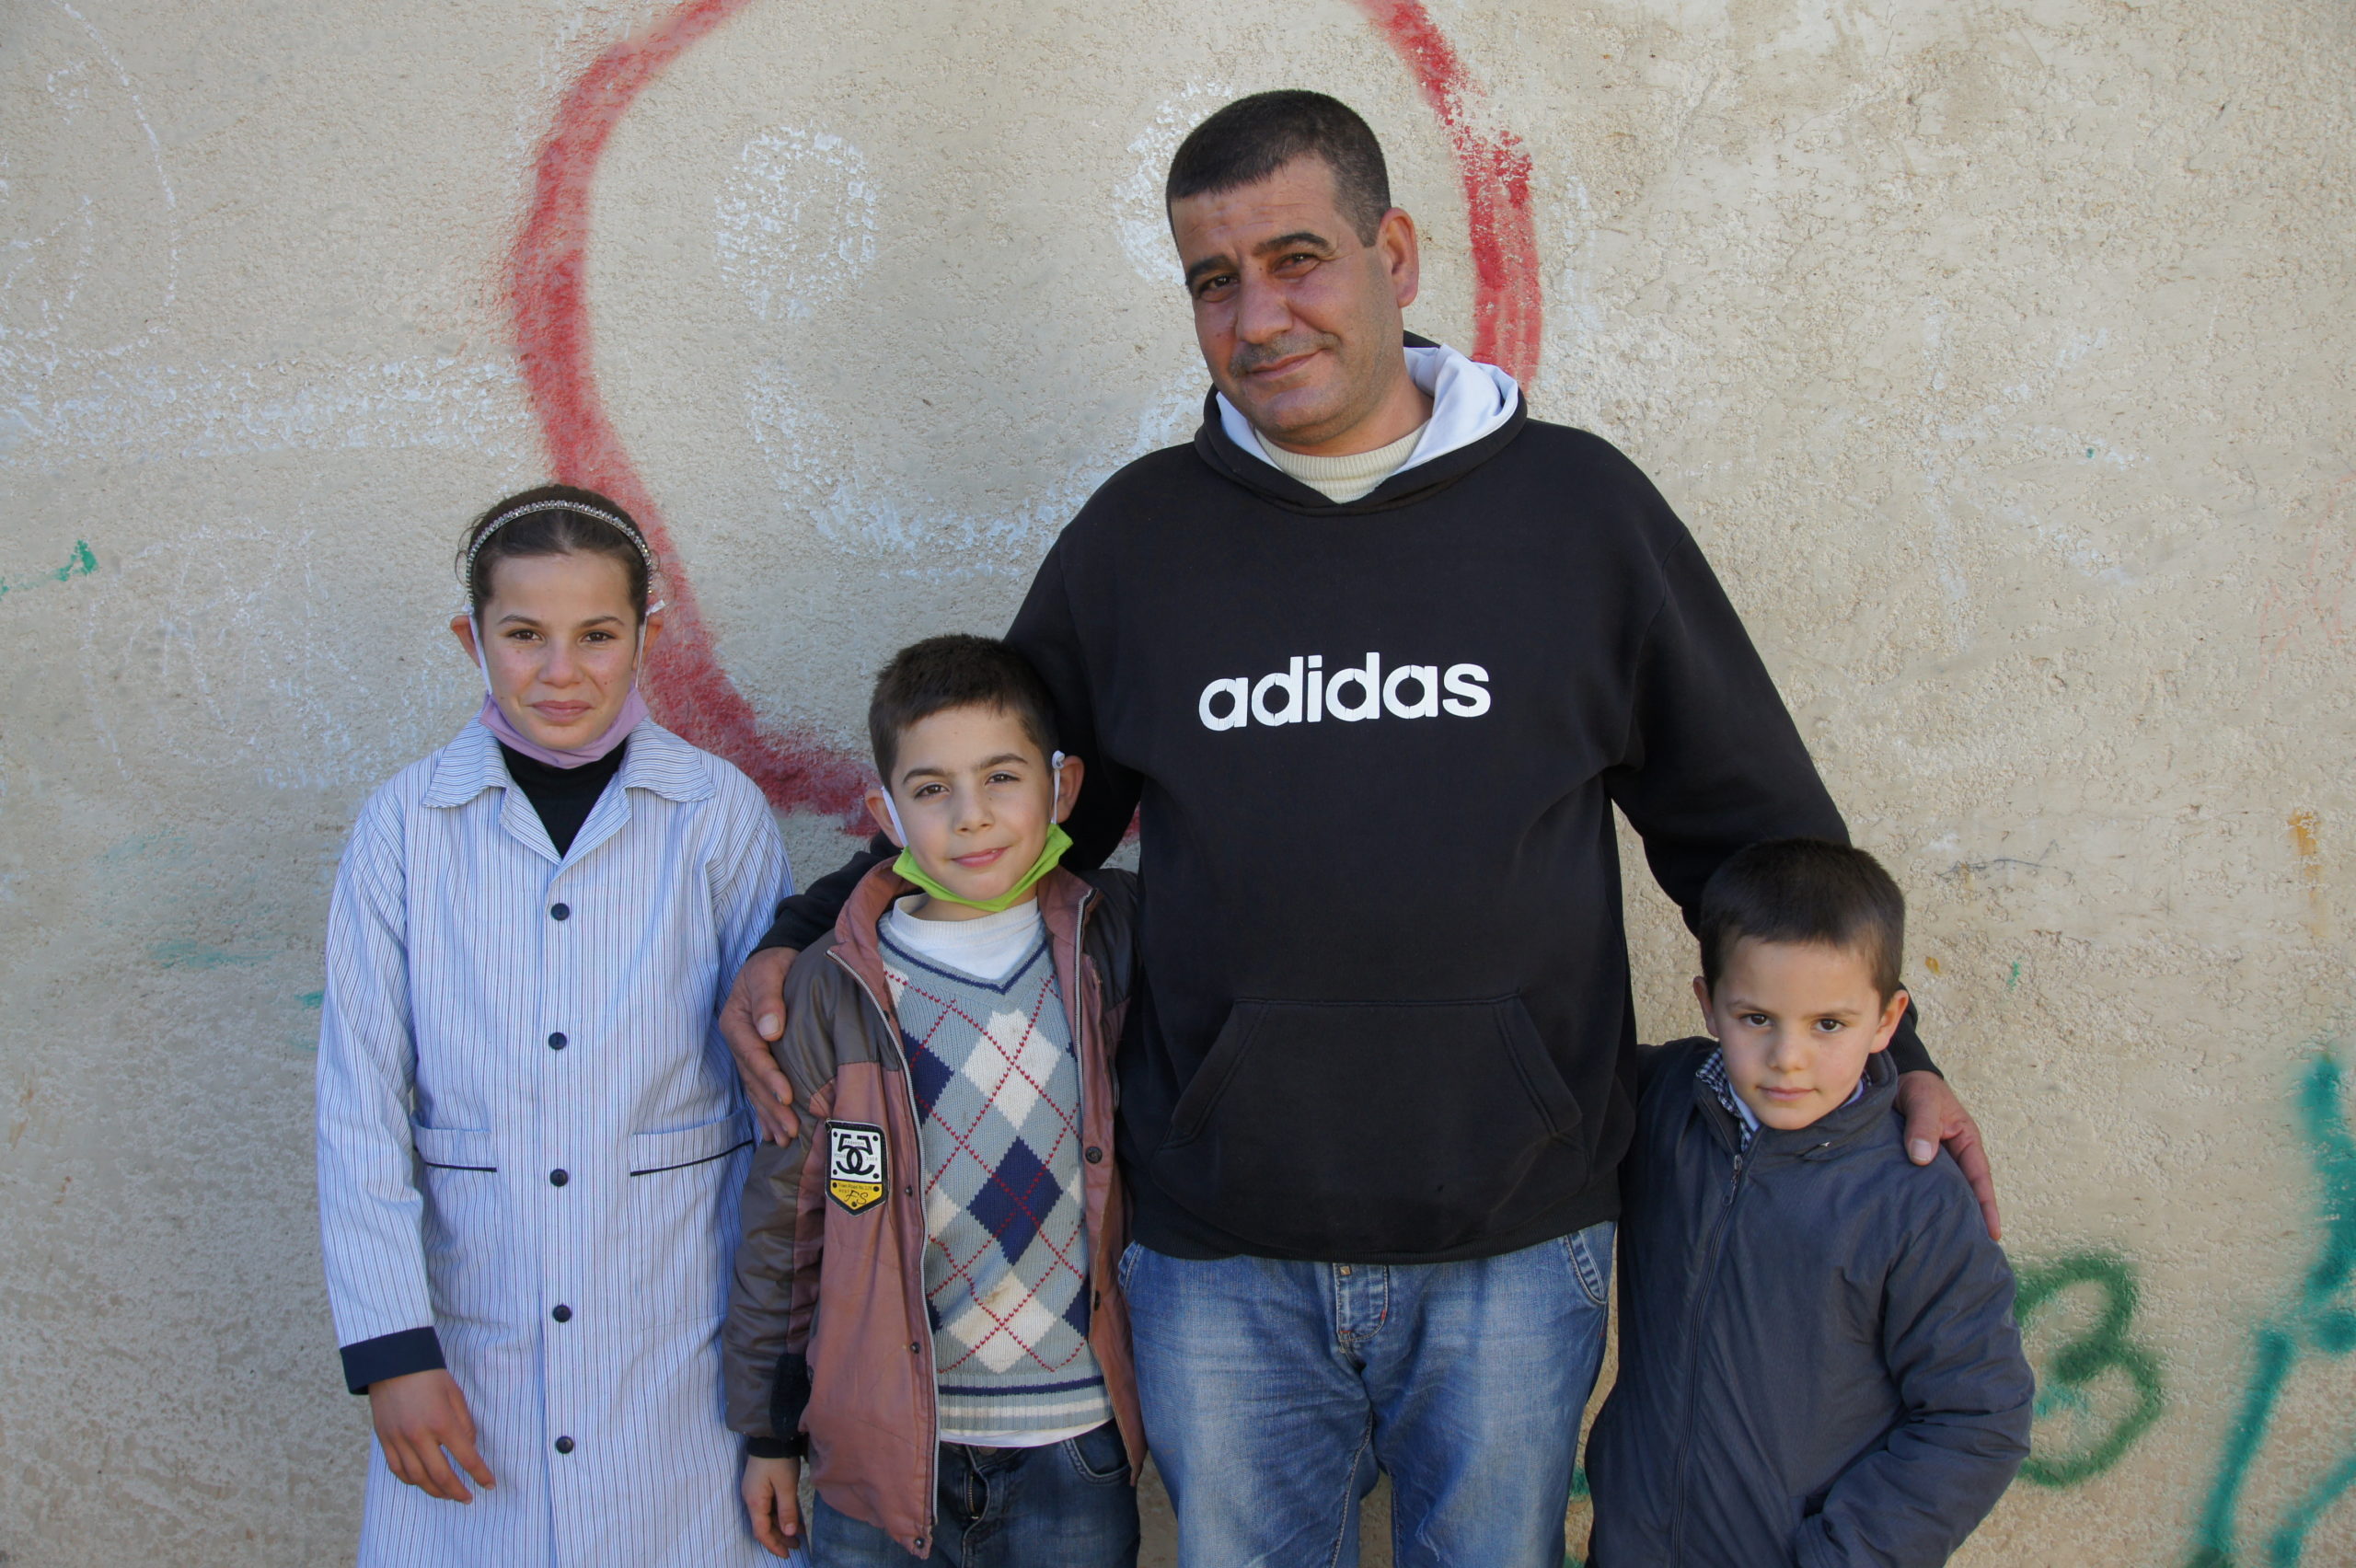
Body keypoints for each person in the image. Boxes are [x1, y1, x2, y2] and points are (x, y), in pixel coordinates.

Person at [722, 92, 2002, 1567]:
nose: (1259, 313)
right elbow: (1002, 808)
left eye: (1298, 258)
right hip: (1221, 1252)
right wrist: (810, 933)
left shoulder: (1580, 516)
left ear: (1394, 249)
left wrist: (1896, 1062)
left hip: (1517, 1242)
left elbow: (1754, 845)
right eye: (1215, 280)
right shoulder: (1142, 541)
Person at [315, 486, 790, 1568]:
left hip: (677, 1354)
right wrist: (394, 1355)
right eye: (523, 635)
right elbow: (358, 1104)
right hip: (474, 1362)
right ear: (470, 638)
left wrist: (775, 1392)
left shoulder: (714, 817)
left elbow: (774, 1103)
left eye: (597, 635)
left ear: (648, 636)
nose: (560, 671)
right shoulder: (403, 827)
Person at [724, 634, 1144, 1565]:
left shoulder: (1111, 947)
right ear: (884, 811)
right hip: (880, 1452)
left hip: (1075, 1440)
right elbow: (784, 1231)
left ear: (1061, 789)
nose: (971, 816)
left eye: (1002, 778)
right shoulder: (834, 993)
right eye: (930, 790)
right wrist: (767, 1432)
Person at [1584, 840, 2033, 1565]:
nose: (1788, 1058)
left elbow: (1977, 1416)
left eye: (1829, 1024)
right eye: (1756, 1018)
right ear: (1708, 1003)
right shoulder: (1664, 1103)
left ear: (1888, 1022)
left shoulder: (1913, 1199)